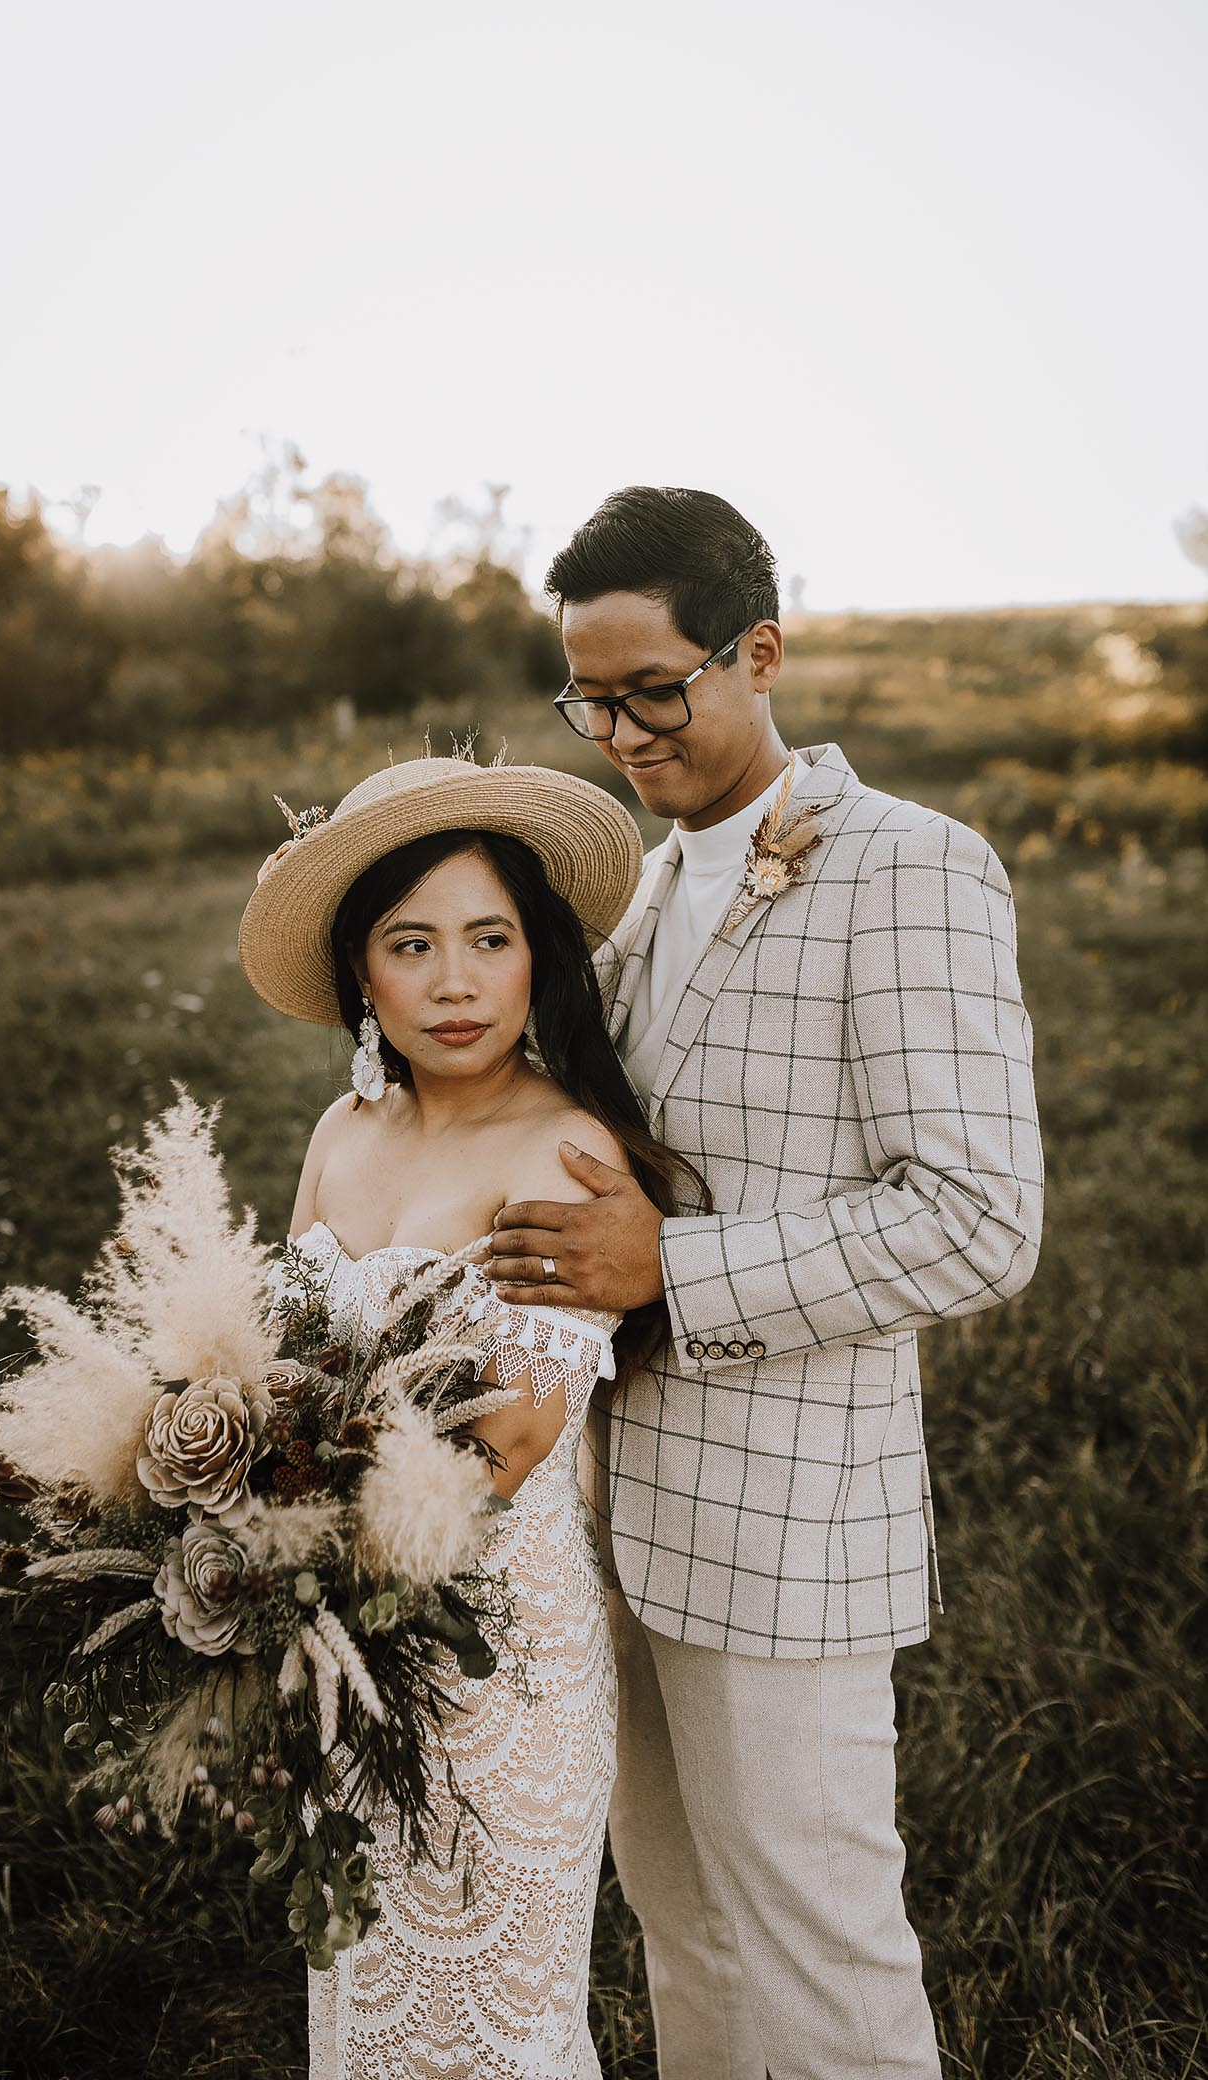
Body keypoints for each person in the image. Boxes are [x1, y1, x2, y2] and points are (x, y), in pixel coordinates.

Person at [486, 486, 1045, 2079]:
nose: (616, 731)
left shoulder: (909, 867)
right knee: (686, 1928)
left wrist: (675, 1266)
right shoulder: (637, 887)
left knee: (814, 1938)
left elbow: (977, 1218)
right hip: (613, 1501)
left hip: (792, 1516)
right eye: (584, 697)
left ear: (760, 655)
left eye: (649, 690)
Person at [237, 754, 703, 2080]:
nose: (453, 983)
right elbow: (276, 1367)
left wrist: (313, 1546)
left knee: (498, 2017)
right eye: (412, 944)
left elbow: (511, 1441)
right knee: (365, 1989)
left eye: (488, 941)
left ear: (533, 959)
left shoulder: (560, 1149)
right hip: (337, 1636)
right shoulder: (341, 1131)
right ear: (360, 974)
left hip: (493, 1648)